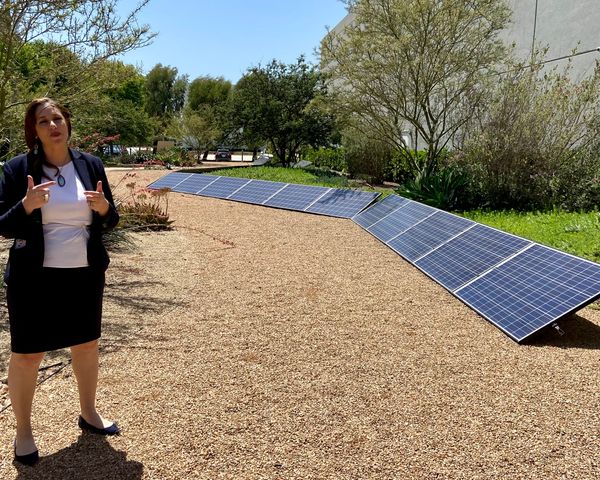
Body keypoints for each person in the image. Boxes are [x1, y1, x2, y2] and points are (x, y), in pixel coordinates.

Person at [0, 98, 120, 466]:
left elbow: (110, 217)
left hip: (83, 275)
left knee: (85, 346)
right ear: (33, 130)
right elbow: (2, 224)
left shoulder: (90, 164)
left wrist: (103, 210)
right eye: (43, 121)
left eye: (58, 118)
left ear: (68, 123)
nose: (53, 125)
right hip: (33, 278)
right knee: (27, 355)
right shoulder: (17, 169)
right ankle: (23, 432)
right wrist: (26, 205)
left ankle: (88, 412)